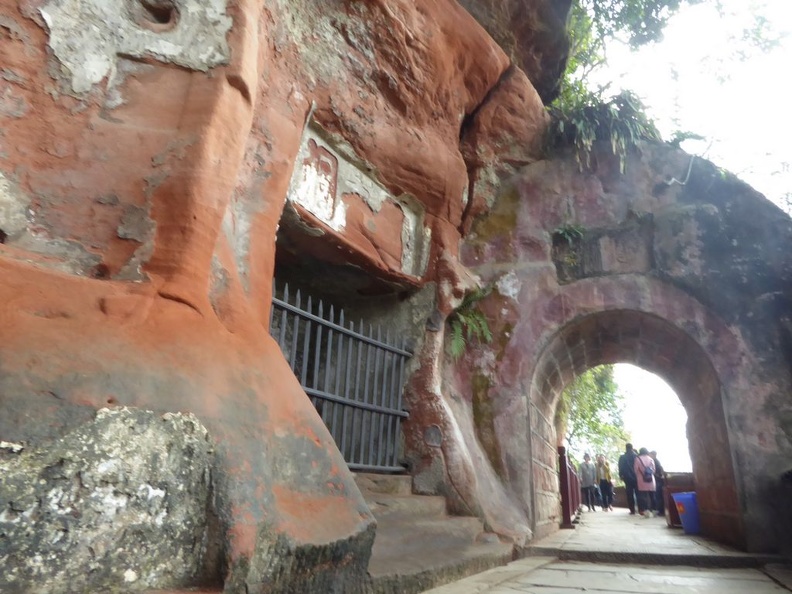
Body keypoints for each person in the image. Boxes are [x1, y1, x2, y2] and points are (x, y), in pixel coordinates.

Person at [634, 447, 656, 517]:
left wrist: (640, 474)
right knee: (652, 495)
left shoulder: (637, 459)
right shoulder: (651, 459)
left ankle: (646, 511)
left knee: (643, 496)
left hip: (641, 479)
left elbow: (636, 470)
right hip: (650, 479)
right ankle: (654, 510)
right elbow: (654, 470)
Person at [618, 443, 639, 515]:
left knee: (629, 494)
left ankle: (632, 510)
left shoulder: (622, 457)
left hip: (627, 478)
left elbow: (620, 468)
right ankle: (640, 508)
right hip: (636, 477)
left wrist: (621, 476)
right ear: (632, 448)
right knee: (638, 493)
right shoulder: (636, 456)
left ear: (626, 448)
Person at [650, 450, 667, 516]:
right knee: (658, 496)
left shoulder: (655, 461)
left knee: (658, 496)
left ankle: (660, 510)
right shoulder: (656, 461)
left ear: (653, 455)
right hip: (658, 480)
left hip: (657, 480)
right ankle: (660, 510)